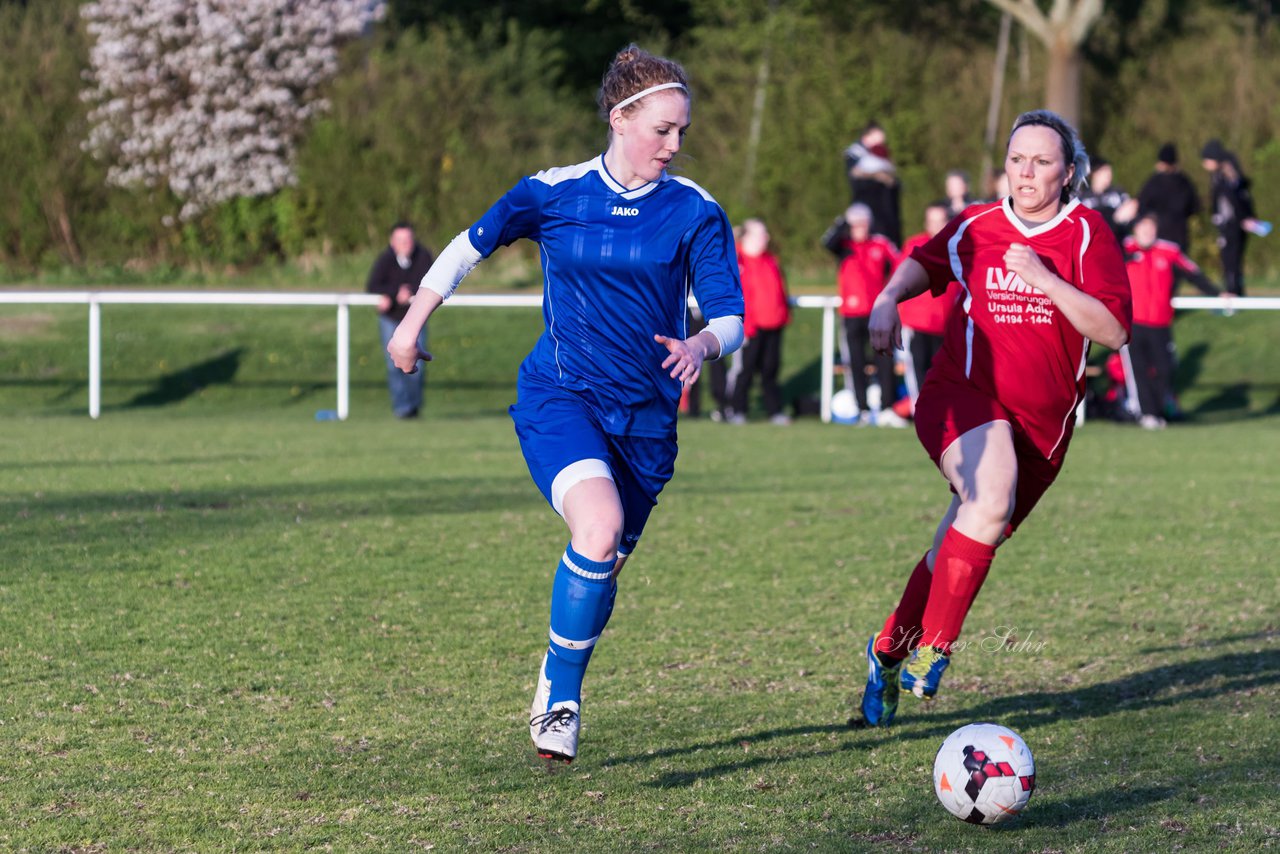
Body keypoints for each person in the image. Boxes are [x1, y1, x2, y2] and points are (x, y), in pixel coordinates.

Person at [387, 45, 744, 763]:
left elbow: (732, 315)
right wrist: (412, 323)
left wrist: (701, 346)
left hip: (645, 423)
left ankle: (556, 671)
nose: (674, 146)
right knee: (598, 527)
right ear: (620, 118)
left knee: (603, 560)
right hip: (561, 395)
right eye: (662, 130)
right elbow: (466, 245)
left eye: (682, 133)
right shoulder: (554, 192)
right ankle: (561, 699)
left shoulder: (695, 211)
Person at [855, 110, 1131, 728]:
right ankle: (935, 650)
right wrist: (886, 298)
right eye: (1016, 159)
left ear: (1068, 173)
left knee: (962, 534)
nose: (1026, 172)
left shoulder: (1087, 235)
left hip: (1043, 431)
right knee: (989, 493)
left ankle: (888, 650)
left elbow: (1113, 331)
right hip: (962, 393)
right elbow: (924, 261)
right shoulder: (979, 223)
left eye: (1042, 161)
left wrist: (1043, 277)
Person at [1123, 212, 1223, 429]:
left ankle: (1160, 412)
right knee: (1138, 371)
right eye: (1143, 228)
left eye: (1151, 229)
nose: (1147, 233)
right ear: (1135, 229)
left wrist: (1217, 294)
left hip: (1160, 323)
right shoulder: (1124, 249)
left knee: (1165, 369)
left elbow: (1193, 273)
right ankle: (1148, 414)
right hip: (1133, 324)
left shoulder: (1168, 251)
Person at [822, 203, 906, 427]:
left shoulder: (880, 243)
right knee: (856, 361)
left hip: (878, 312)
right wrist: (843, 222)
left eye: (863, 222)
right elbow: (827, 242)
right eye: (855, 223)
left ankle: (888, 407)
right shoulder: (843, 246)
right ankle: (862, 409)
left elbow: (900, 266)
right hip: (852, 314)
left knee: (884, 358)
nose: (860, 227)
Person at [365, 221, 434, 418]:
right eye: (400, 240)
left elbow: (432, 282)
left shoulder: (423, 256)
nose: (405, 244)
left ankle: (414, 407)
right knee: (393, 364)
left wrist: (409, 292)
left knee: (416, 366)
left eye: (408, 239)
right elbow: (372, 285)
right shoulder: (385, 259)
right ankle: (401, 408)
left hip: (415, 319)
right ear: (392, 242)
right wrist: (394, 294)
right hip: (391, 319)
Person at [729, 218, 791, 424]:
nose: (766, 237)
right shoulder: (735, 260)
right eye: (761, 233)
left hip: (773, 324)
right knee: (744, 371)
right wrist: (743, 325)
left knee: (770, 370)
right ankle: (737, 410)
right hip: (750, 327)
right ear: (747, 237)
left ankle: (774, 411)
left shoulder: (771, 260)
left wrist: (783, 315)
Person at [896, 202, 959, 406]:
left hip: (946, 325)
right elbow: (898, 281)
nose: (936, 226)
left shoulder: (958, 246)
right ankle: (921, 411)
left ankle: (941, 412)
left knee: (943, 374)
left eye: (940, 221)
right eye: (932, 222)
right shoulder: (914, 245)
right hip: (917, 323)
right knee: (918, 371)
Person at [1201, 139, 1262, 296]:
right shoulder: (1226, 175)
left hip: (1231, 225)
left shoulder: (1224, 177)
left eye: (1206, 160)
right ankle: (1236, 293)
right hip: (1232, 224)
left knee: (1230, 261)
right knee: (1232, 261)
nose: (1204, 164)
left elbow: (1234, 201)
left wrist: (1244, 218)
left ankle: (1233, 295)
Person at [843, 122, 903, 246]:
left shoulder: (880, 154)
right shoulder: (855, 153)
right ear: (866, 137)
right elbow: (855, 173)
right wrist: (879, 175)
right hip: (866, 205)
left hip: (884, 208)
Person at [1136, 143, 1200, 251]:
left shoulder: (1153, 182)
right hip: (1179, 237)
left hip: (1157, 237)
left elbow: (1141, 206)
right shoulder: (1184, 182)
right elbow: (1194, 207)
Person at [1079, 156, 1137, 242]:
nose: (1109, 175)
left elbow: (1130, 213)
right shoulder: (1083, 198)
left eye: (1110, 171)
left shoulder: (1118, 193)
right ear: (1094, 173)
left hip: (1118, 240)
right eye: (1105, 171)